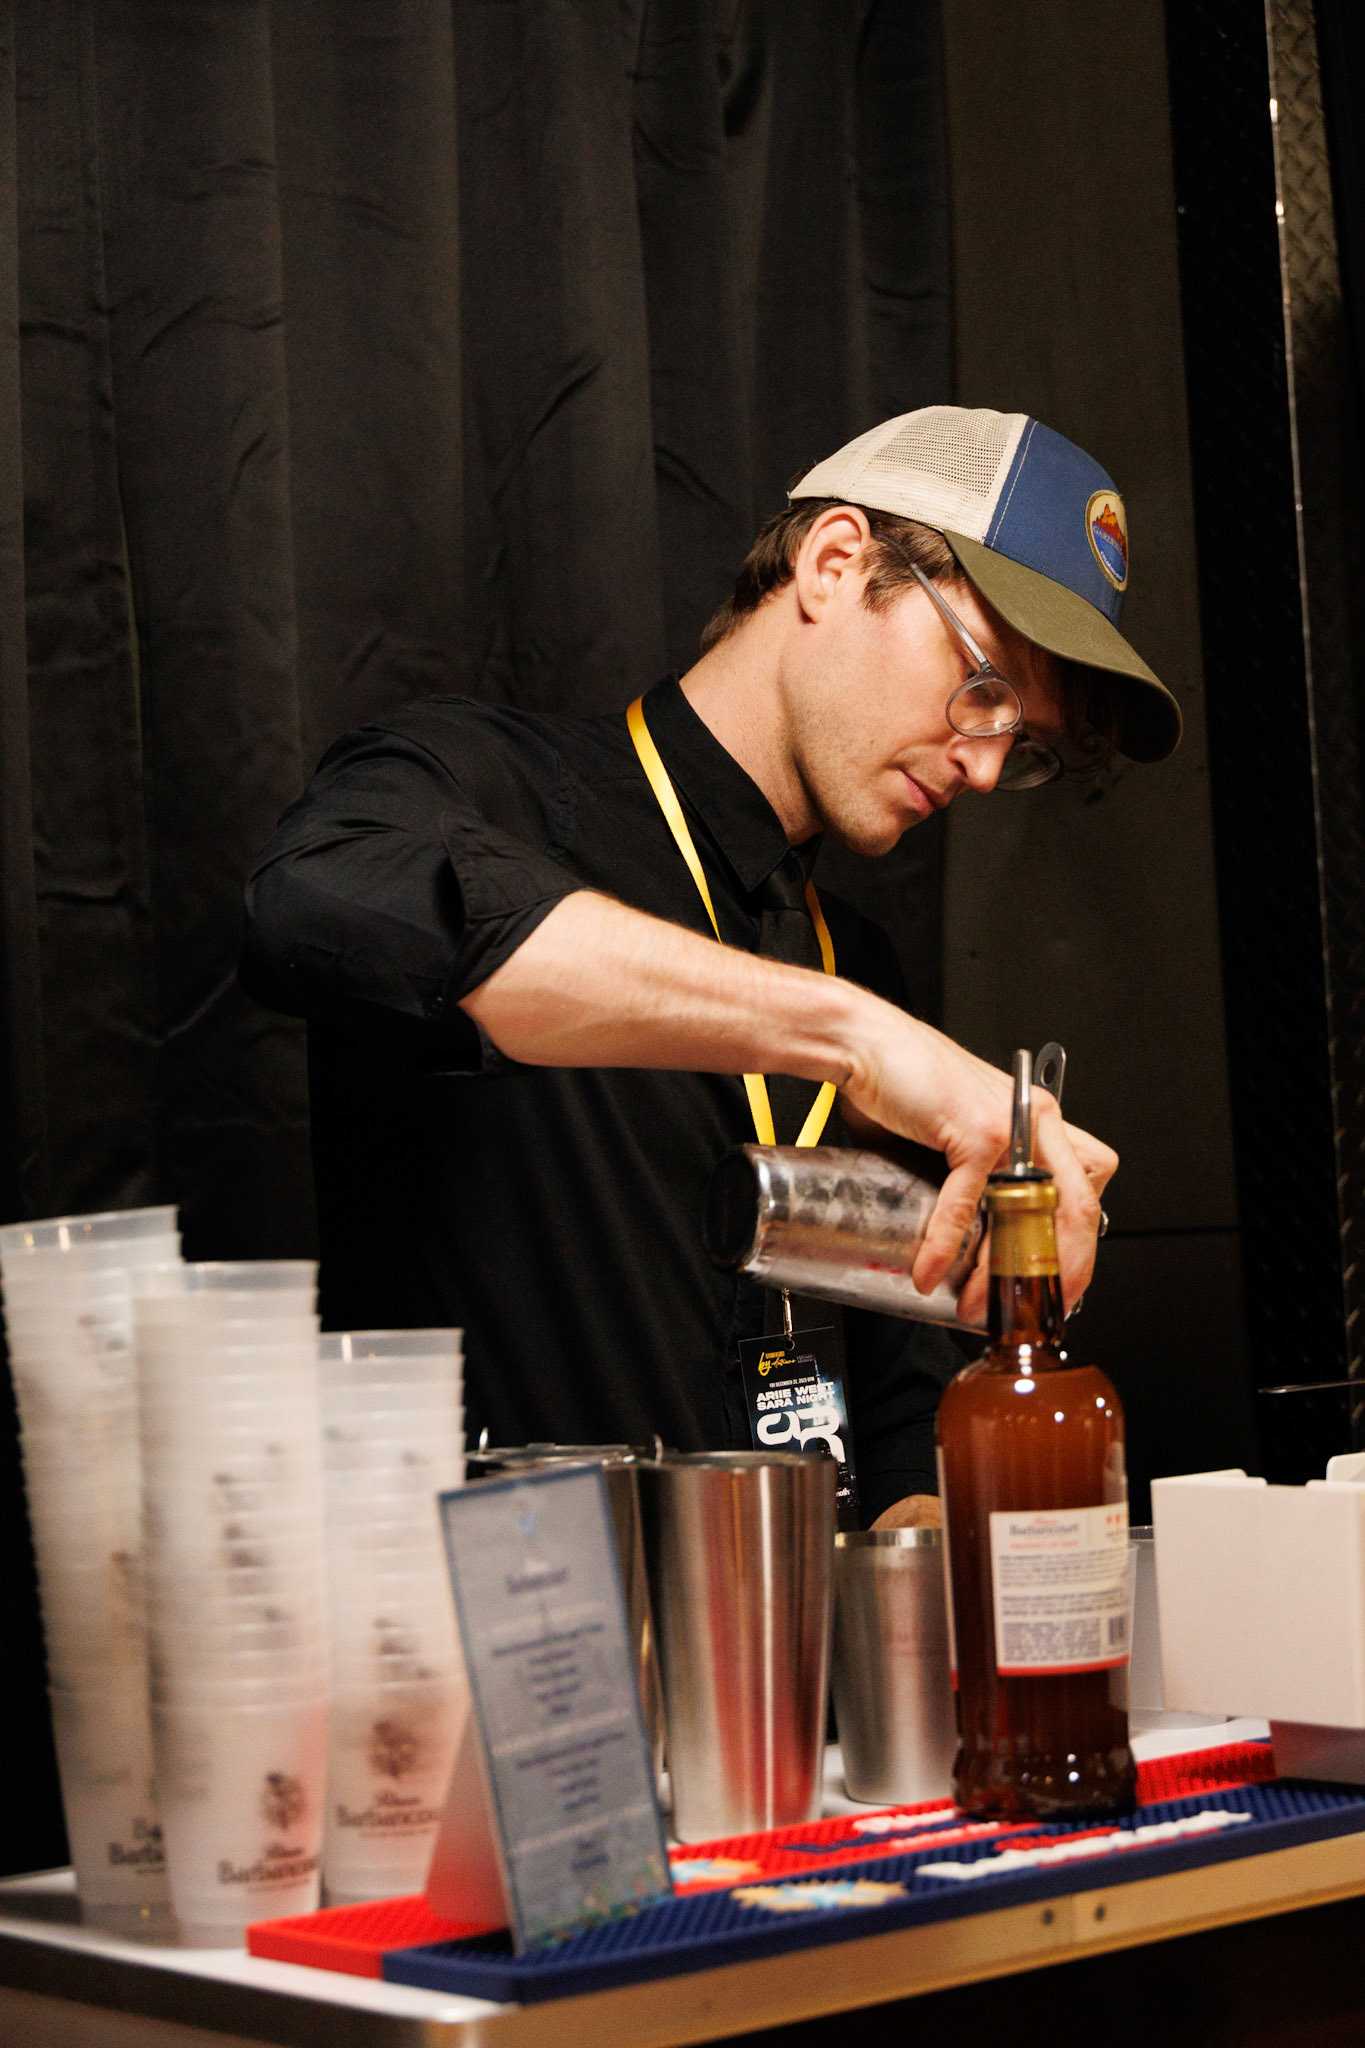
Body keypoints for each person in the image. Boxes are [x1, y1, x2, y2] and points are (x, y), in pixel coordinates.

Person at [241, 405, 1180, 1529]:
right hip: (516, 1618)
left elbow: (896, 1425)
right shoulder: (483, 783)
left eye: (1018, 742)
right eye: (984, 685)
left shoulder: (856, 960)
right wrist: (852, 1036)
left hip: (795, 1630)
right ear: (835, 563)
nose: (983, 768)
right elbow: (313, 901)